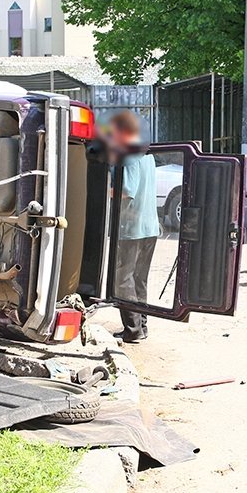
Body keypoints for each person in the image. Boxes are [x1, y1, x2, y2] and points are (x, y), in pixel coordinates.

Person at [105, 110, 160, 343]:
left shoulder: (128, 156)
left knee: (122, 280)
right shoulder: (148, 155)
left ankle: (133, 330)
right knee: (139, 279)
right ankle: (142, 327)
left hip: (131, 228)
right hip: (150, 227)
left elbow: (126, 190)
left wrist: (101, 191)